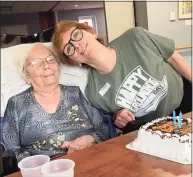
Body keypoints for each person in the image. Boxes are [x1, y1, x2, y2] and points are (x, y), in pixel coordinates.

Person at [51, 20, 192, 133]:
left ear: (92, 32)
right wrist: (118, 117)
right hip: (157, 131)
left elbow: (173, 57)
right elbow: (116, 121)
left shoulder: (136, 37)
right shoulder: (94, 94)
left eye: (76, 35)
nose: (77, 45)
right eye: (69, 48)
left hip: (186, 103)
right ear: (73, 61)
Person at [2, 43, 115, 162]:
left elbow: (104, 129)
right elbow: (12, 150)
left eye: (50, 60)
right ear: (27, 76)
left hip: (90, 159)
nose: (46, 66)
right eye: (37, 63)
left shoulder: (75, 93)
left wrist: (90, 138)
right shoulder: (17, 103)